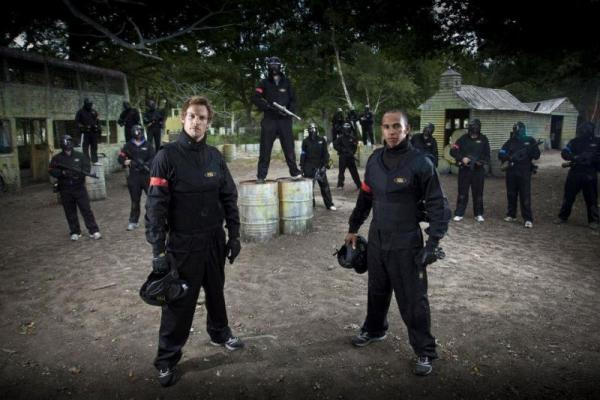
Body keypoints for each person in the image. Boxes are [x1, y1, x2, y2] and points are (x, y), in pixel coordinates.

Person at [145, 95, 243, 387]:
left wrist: (234, 234)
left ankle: (219, 332)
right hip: (183, 244)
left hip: (214, 239)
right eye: (191, 116)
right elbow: (155, 207)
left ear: (208, 122)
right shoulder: (166, 157)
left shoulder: (215, 156)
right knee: (179, 302)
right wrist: (157, 250)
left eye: (202, 117)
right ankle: (166, 359)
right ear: (183, 119)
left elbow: (229, 196)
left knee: (216, 290)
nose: (196, 122)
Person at [344, 110, 450, 376]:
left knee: (413, 299)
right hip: (378, 239)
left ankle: (424, 350)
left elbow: (438, 204)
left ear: (407, 129)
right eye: (386, 127)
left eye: (396, 127)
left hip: (407, 243)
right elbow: (366, 197)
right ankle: (374, 329)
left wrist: (433, 242)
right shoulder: (374, 161)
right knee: (377, 290)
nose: (391, 132)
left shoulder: (421, 163)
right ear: (381, 130)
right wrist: (353, 228)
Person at [251, 56, 302, 183]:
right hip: (269, 120)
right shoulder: (263, 83)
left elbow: (294, 100)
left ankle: (295, 173)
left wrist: (288, 111)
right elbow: (256, 97)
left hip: (285, 121)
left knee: (289, 148)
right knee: (265, 149)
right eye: (271, 65)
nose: (274, 67)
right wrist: (267, 107)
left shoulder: (287, 82)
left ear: (280, 66)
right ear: (268, 66)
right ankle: (261, 176)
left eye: (276, 64)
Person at [49, 134, 102, 241]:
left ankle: (93, 230)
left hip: (79, 187)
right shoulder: (57, 158)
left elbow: (86, 168)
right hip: (65, 188)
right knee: (70, 211)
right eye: (66, 142)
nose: (68, 145)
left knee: (86, 209)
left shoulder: (80, 156)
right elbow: (51, 170)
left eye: (69, 142)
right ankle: (75, 232)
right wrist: (63, 173)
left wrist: (78, 175)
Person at [554, 121, 600, 231]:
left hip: (590, 174)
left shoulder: (597, 142)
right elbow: (565, 152)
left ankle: (593, 221)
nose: (584, 132)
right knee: (568, 197)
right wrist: (574, 157)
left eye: (586, 129)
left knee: (592, 199)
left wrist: (592, 160)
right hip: (575, 173)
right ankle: (563, 216)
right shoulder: (574, 142)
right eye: (582, 130)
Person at [498, 122, 541, 228]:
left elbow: (536, 155)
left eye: (517, 129)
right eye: (514, 129)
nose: (516, 131)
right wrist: (509, 157)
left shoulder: (530, 140)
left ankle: (528, 219)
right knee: (511, 194)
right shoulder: (510, 141)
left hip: (524, 172)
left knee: (525, 195)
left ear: (522, 129)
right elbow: (501, 152)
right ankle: (511, 215)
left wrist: (530, 151)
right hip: (511, 171)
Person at [449, 119, 490, 222]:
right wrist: (462, 158)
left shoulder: (484, 139)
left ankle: (478, 214)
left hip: (478, 171)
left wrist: (480, 162)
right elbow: (453, 151)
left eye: (477, 126)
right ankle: (459, 213)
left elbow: (487, 156)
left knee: (478, 193)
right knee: (462, 192)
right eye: (473, 126)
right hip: (465, 170)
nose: (475, 128)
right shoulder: (463, 139)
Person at [118, 124, 155, 231]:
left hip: (146, 176)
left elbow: (153, 158)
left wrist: (146, 164)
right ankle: (133, 221)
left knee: (152, 199)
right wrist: (126, 161)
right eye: (137, 131)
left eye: (140, 131)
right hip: (134, 176)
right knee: (135, 200)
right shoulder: (128, 145)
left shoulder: (148, 145)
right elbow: (121, 158)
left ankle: (152, 220)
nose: (139, 133)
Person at [300, 122, 336, 210]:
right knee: (309, 188)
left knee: (325, 187)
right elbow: (303, 154)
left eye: (314, 129)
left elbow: (325, 154)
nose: (313, 131)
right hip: (309, 166)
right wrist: (302, 167)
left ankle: (329, 204)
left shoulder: (322, 140)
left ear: (317, 130)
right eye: (311, 129)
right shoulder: (305, 141)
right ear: (308, 131)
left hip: (320, 166)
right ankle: (311, 205)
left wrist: (325, 165)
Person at [333, 122, 361, 190]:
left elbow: (355, 147)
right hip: (343, 157)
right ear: (343, 129)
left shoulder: (353, 138)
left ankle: (359, 185)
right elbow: (335, 145)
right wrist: (342, 150)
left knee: (354, 172)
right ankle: (340, 185)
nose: (346, 131)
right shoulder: (340, 138)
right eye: (345, 129)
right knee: (341, 172)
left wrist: (352, 152)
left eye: (348, 129)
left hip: (350, 157)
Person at [75, 98, 101, 164]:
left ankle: (94, 161)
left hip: (93, 132)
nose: (90, 106)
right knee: (85, 148)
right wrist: (83, 127)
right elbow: (77, 122)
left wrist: (97, 127)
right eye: (89, 104)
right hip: (85, 133)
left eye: (91, 104)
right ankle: (86, 161)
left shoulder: (94, 111)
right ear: (85, 104)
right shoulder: (80, 112)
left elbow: (98, 121)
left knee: (94, 147)